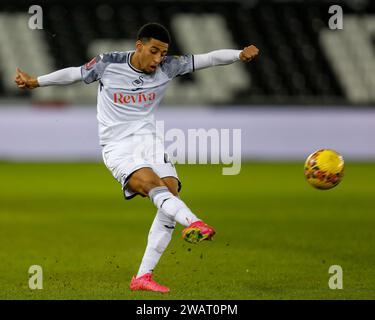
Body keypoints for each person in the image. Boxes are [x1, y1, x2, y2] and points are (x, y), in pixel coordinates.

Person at [15, 22, 259, 293]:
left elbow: (208, 59)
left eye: (163, 53)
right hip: (117, 146)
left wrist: (239, 54)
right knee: (155, 187)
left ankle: (143, 277)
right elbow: (74, 73)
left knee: (170, 193)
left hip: (149, 142)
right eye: (153, 51)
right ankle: (194, 222)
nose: (158, 59)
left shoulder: (169, 67)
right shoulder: (109, 63)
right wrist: (37, 81)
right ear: (139, 46)